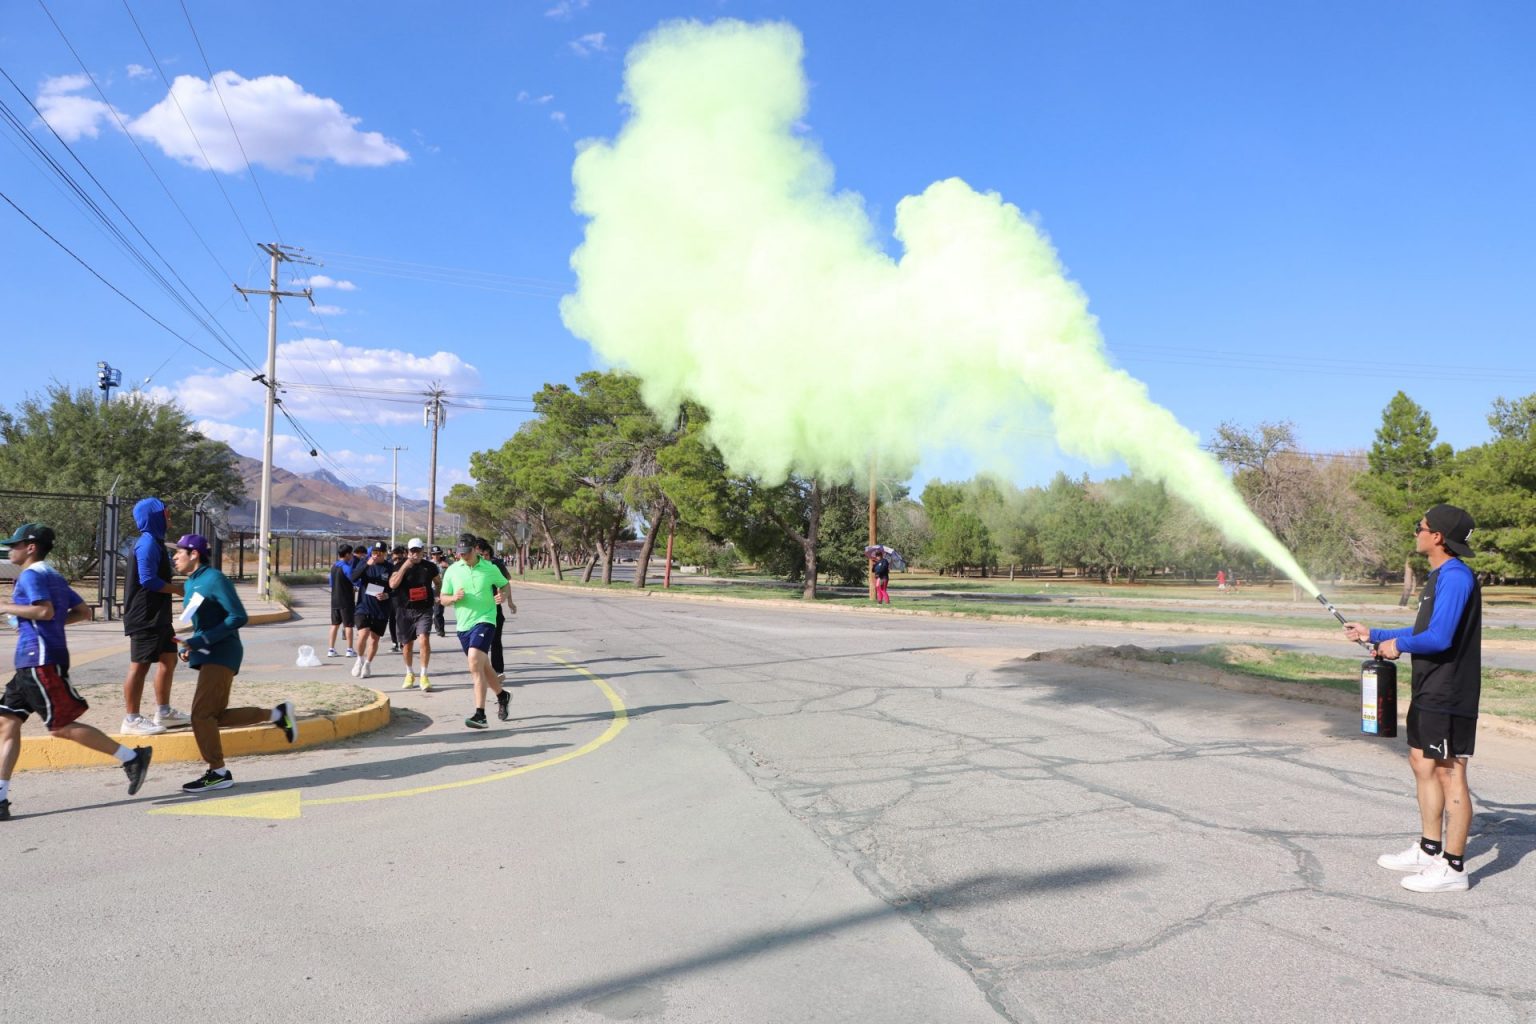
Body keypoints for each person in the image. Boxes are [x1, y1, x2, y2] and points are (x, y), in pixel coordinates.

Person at [1343, 504, 1482, 894]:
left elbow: (1439, 638)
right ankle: (1429, 849)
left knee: (1450, 772)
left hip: (1450, 691)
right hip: (1429, 687)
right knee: (1422, 762)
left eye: (1419, 527)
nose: (1416, 532)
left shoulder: (1455, 577)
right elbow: (1424, 629)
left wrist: (1397, 645)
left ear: (1437, 536)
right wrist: (1375, 634)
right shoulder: (1439, 576)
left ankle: (1453, 868)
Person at [1, 523, 152, 819]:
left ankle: (132, 757)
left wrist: (7, 607)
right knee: (6, 723)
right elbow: (83, 611)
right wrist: (49, 624)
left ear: (31, 547)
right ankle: (0, 798)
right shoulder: (53, 575)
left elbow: (44, 611)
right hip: (32, 662)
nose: (10, 550)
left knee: (60, 726)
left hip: (40, 660)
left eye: (15, 545)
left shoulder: (32, 575)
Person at [171, 534, 297, 793]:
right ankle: (278, 715)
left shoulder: (214, 579)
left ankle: (218, 772)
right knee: (214, 716)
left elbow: (238, 616)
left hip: (222, 653)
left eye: (179, 552)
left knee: (201, 715)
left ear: (194, 554)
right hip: (207, 653)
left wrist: (202, 640)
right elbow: (202, 622)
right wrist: (190, 646)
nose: (174, 557)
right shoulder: (191, 583)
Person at [119, 497, 188, 736]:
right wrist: (178, 590)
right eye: (165, 512)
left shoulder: (156, 542)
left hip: (159, 615)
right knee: (139, 666)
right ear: (154, 516)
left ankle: (164, 712)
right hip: (144, 616)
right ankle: (131, 719)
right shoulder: (147, 543)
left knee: (169, 660)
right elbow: (148, 580)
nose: (169, 516)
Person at [440, 533, 515, 730]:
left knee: (474, 660)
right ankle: (502, 696)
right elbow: (443, 598)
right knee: (483, 666)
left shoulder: (490, 568)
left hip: (486, 620)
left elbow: (505, 584)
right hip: (463, 625)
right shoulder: (452, 570)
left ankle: (480, 714)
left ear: (475, 549)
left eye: (466, 552)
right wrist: (453, 598)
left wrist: (503, 596)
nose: (463, 556)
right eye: (460, 553)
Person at [389, 537, 439, 691]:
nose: (415, 554)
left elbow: (438, 582)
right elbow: (392, 584)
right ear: (408, 552)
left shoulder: (430, 567)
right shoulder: (399, 566)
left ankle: (424, 675)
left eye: (418, 550)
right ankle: (409, 673)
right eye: (412, 551)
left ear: (423, 551)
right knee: (407, 644)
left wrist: (437, 595)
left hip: (424, 609)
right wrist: (405, 567)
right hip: (404, 610)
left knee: (424, 639)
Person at [475, 537, 511, 679]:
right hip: (476, 611)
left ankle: (497, 671)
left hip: (494, 609)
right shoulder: (467, 567)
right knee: (479, 643)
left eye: (485, 554)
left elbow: (506, 583)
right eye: (480, 555)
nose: (483, 558)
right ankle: (481, 670)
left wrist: (508, 600)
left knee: (495, 640)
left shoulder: (495, 565)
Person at [327, 543, 358, 658]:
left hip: (335, 600)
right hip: (346, 600)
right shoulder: (346, 567)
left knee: (334, 624)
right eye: (351, 554)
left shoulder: (334, 567)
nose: (352, 556)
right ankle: (349, 649)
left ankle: (331, 649)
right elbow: (354, 580)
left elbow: (331, 583)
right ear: (347, 554)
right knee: (348, 625)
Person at [387, 544, 407, 653]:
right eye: (395, 558)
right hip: (391, 598)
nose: (397, 560)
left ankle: (403, 643)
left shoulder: (406, 566)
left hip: (403, 598)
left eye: (400, 558)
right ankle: (394, 642)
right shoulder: (389, 566)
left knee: (402, 621)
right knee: (392, 621)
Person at [430, 546, 449, 637]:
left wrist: (447, 566)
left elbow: (456, 570)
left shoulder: (446, 562)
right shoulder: (429, 564)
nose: (436, 556)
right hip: (430, 589)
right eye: (434, 554)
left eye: (438, 554)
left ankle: (440, 630)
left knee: (438, 612)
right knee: (427, 612)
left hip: (441, 590)